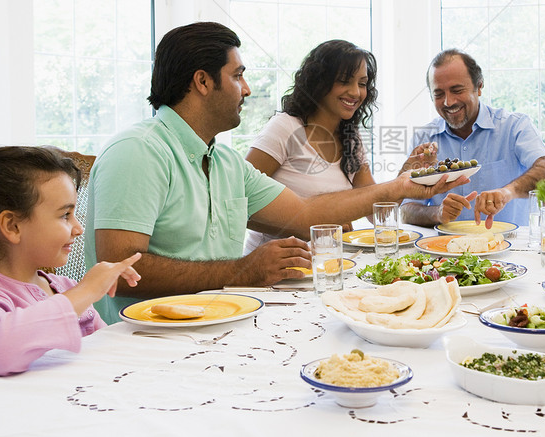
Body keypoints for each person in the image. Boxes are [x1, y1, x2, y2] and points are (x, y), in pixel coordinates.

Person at [84, 22, 465, 323]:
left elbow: (307, 216)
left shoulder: (226, 164)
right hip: (142, 342)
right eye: (237, 76)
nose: (247, 90)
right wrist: (243, 270)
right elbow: (118, 272)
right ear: (202, 81)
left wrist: (401, 186)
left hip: (218, 322)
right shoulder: (138, 151)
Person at [0, 146, 141, 380]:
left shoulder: (64, 287)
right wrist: (85, 292)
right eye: (65, 215)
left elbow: (107, 351)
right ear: (12, 226)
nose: (79, 228)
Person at [244, 39, 434, 254]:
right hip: (275, 267)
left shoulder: (350, 138)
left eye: (362, 84)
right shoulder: (284, 127)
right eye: (345, 81)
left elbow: (376, 213)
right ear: (319, 82)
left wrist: (405, 175)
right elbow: (238, 203)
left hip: (327, 263)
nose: (355, 92)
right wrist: (313, 225)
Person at [400, 48, 545, 228]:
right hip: (444, 249)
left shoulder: (514, 126)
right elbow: (406, 209)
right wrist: (437, 213)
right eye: (439, 94)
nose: (448, 102)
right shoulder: (423, 138)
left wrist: (507, 192)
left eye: (457, 90)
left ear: (479, 87)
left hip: (510, 250)